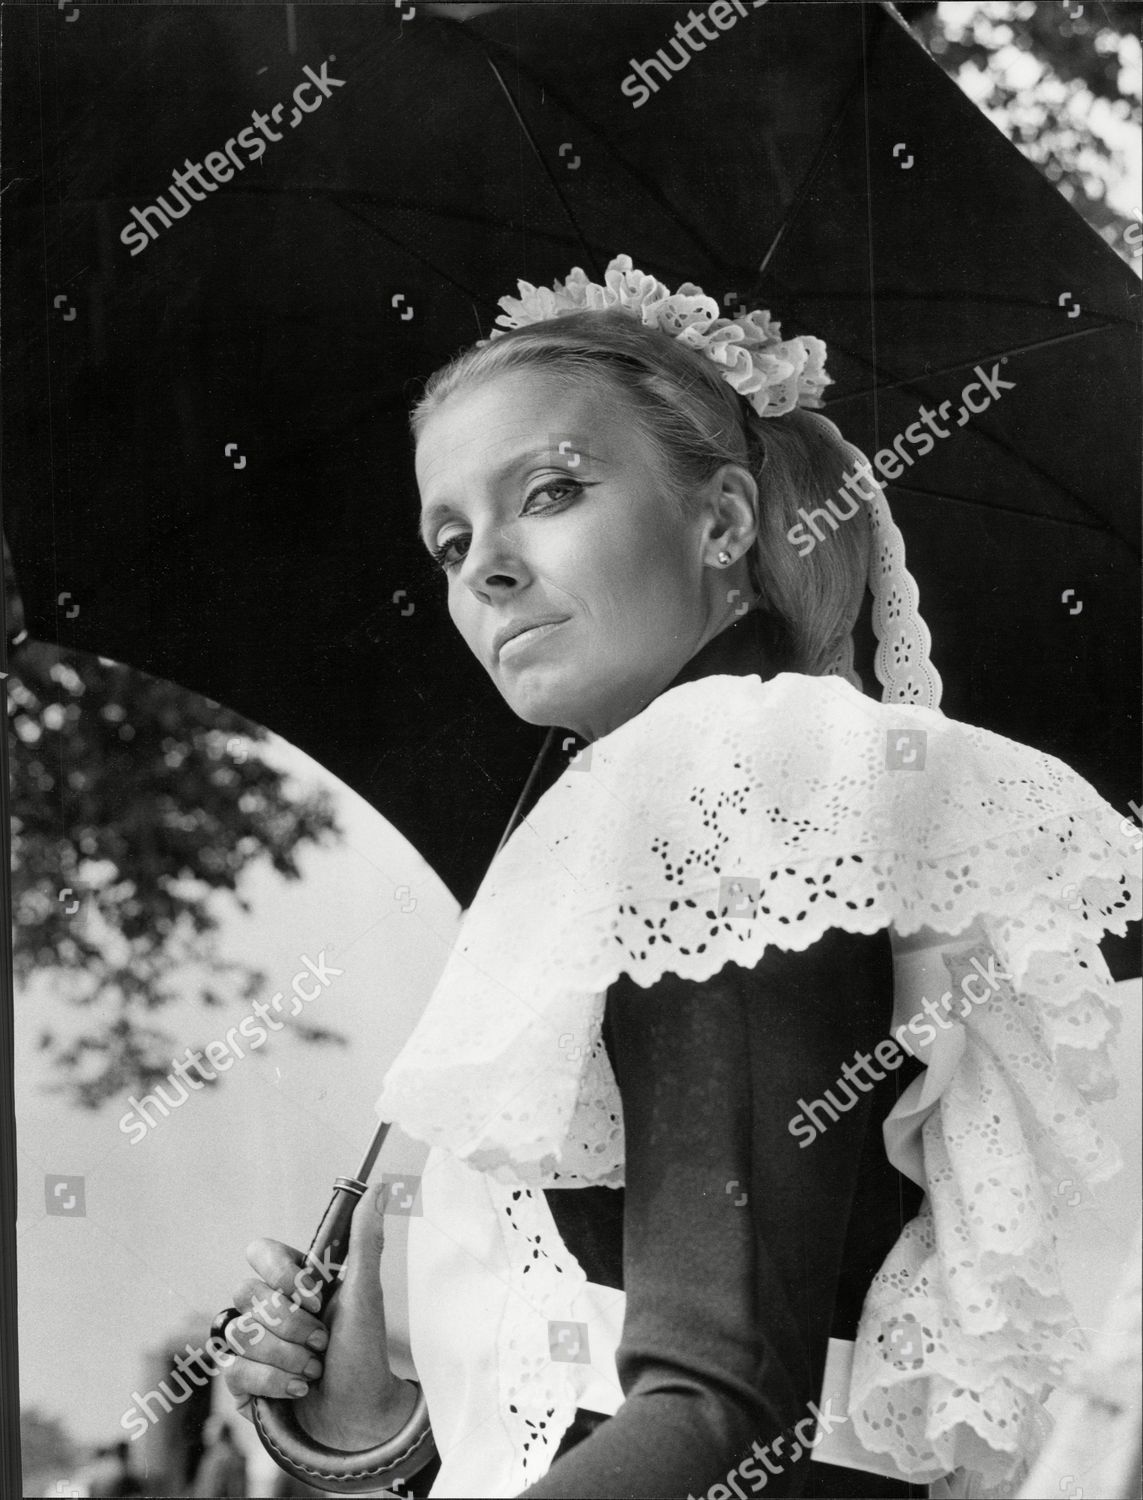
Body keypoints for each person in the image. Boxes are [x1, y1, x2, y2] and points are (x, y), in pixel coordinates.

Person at [215, 255, 1139, 1499]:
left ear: (723, 523)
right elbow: (578, 1386)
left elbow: (720, 1409)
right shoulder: (624, 824)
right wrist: (367, 1395)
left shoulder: (742, 777)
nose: (482, 568)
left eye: (549, 490)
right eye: (448, 539)